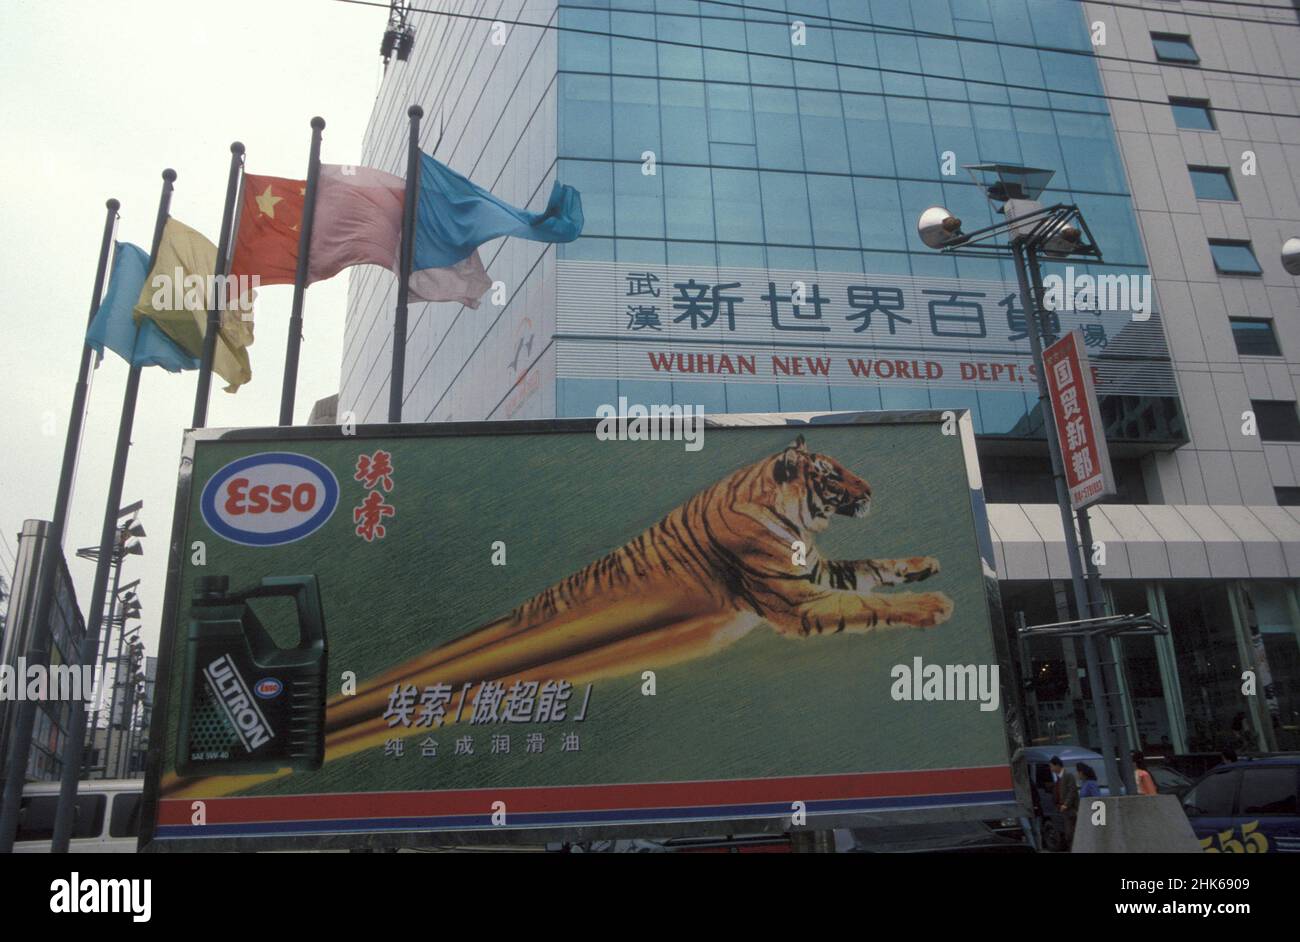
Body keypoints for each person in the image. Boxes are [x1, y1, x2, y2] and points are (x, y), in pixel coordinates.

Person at [1050, 756, 1079, 849]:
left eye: (1052, 766)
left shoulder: (1068, 776)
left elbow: (1072, 791)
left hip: (1069, 809)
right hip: (1061, 809)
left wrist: (1066, 804)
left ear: (1057, 765)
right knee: (1066, 833)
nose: (1051, 769)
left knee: (1070, 833)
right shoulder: (1058, 778)